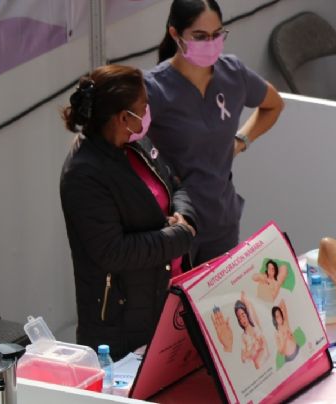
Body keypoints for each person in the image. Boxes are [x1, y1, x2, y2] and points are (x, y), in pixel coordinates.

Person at [60, 65, 197, 359]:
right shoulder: (83, 174)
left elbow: (174, 183)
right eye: (144, 107)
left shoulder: (137, 144)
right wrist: (179, 236)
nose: (149, 113)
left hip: (166, 299)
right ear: (124, 117)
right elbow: (113, 251)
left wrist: (185, 214)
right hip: (121, 327)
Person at [145, 0, 284, 265]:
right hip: (175, 227)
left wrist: (241, 141)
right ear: (175, 34)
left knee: (219, 305)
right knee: (176, 306)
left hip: (221, 222)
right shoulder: (153, 88)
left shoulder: (233, 74)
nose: (210, 43)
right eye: (199, 36)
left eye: (216, 34)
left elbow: (274, 104)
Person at [235, 292, 268, 369]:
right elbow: (243, 358)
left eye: (243, 315)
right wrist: (251, 352)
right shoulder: (243, 336)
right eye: (239, 318)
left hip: (265, 358)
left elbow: (251, 308)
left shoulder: (256, 326)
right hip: (257, 366)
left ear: (247, 314)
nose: (242, 320)